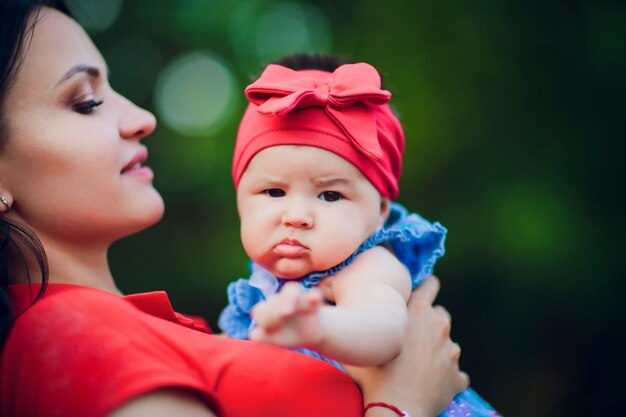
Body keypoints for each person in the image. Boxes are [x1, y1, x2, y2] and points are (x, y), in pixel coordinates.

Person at [0, 1, 468, 417]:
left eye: (328, 194)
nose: (144, 118)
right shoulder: (69, 334)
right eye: (86, 102)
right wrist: (403, 402)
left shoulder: (175, 330)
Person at [218, 54, 500, 416]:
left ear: (380, 212)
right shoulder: (259, 291)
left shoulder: (367, 266)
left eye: (331, 195)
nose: (297, 216)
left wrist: (318, 325)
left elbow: (384, 331)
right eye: (274, 192)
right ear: (240, 200)